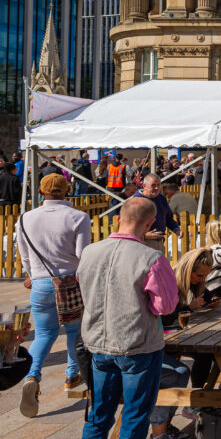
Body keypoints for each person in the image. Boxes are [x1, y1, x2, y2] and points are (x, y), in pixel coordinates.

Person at [78, 197, 179, 439]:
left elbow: (84, 290)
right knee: (135, 416)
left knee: (98, 415)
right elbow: (164, 307)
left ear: (118, 219)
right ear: (150, 224)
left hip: (98, 343)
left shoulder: (89, 252)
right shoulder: (151, 258)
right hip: (137, 345)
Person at [16, 174, 91, 417]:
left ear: (40, 191)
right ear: (67, 190)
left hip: (39, 282)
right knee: (74, 331)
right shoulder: (79, 217)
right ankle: (71, 373)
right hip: (70, 281)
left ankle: (32, 375)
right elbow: (82, 254)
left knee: (45, 333)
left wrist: (32, 273)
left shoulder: (25, 218)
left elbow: (25, 255)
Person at [122, 174, 182, 252]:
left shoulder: (162, 199)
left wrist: (176, 229)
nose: (157, 188)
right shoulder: (136, 201)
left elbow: (168, 218)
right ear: (144, 186)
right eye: (153, 185)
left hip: (159, 243)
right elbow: (128, 227)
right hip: (141, 244)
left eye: (158, 185)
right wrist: (144, 235)